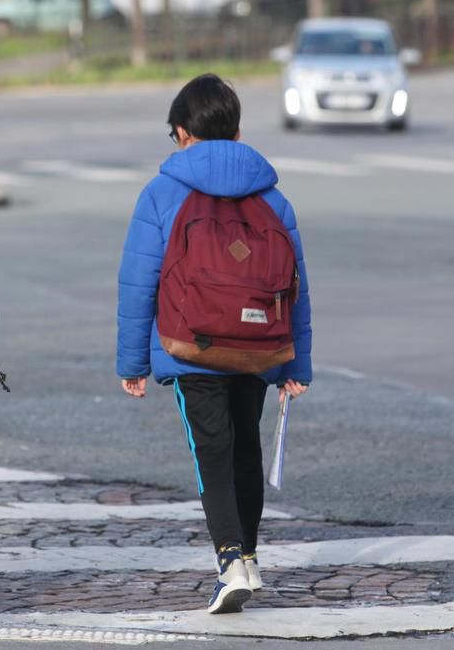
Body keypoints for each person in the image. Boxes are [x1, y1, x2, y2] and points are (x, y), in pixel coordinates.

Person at [115, 74, 313, 614]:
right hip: (256, 346)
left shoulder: (161, 193)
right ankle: (247, 555)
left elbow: (139, 282)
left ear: (181, 132)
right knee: (245, 448)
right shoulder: (272, 195)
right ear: (237, 130)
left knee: (212, 454)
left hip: (190, 346)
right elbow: (295, 286)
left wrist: (132, 361)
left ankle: (228, 561)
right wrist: (296, 362)